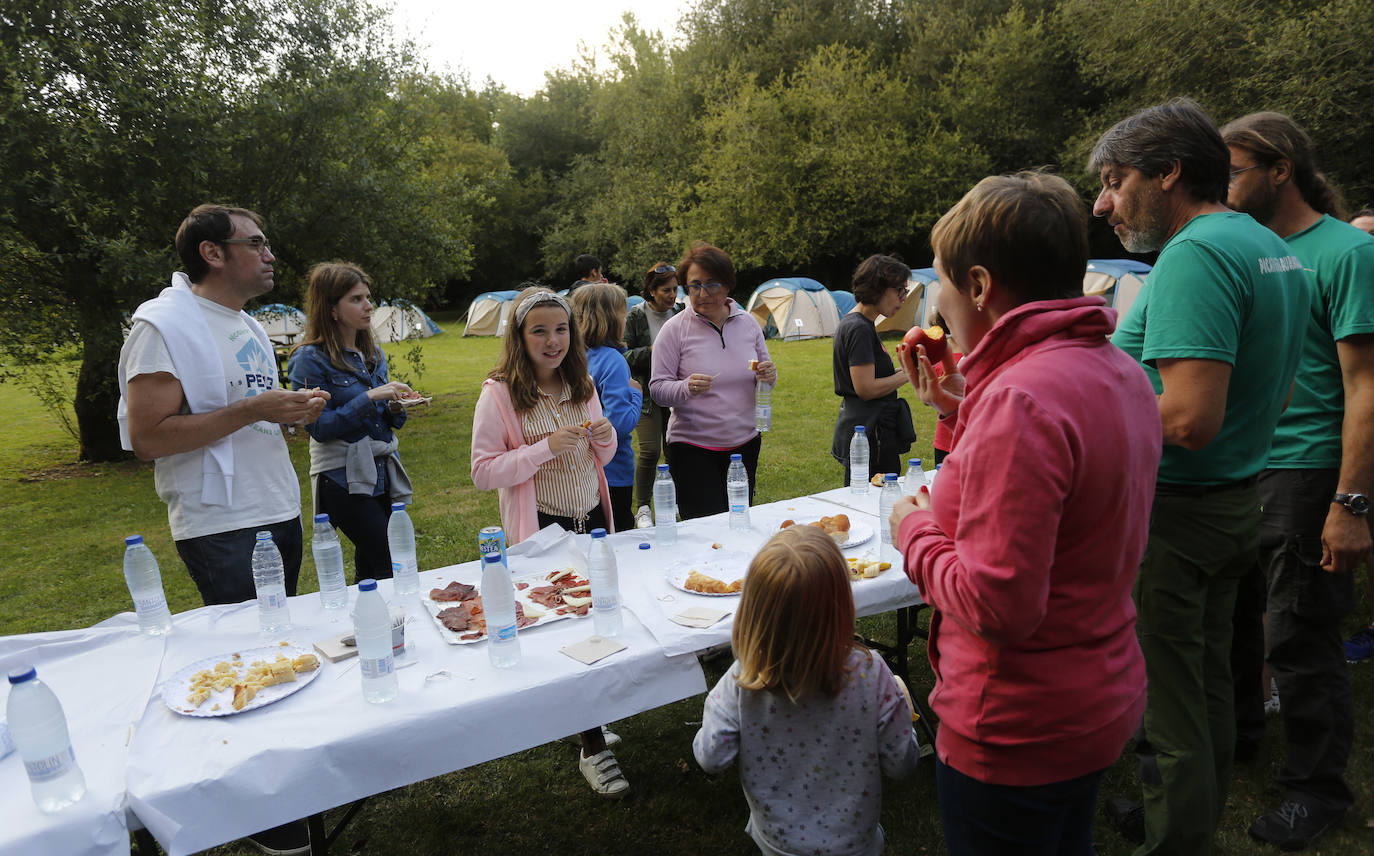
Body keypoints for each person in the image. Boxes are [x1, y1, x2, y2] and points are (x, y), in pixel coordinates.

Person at [891, 172, 1161, 855]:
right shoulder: (1115, 370)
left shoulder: (1021, 400)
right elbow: (1059, 496)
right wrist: (960, 405)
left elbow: (999, 605)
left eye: (943, 282)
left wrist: (914, 530)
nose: (939, 301)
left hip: (1019, 726)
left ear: (979, 287)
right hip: (1095, 696)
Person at [1090, 99, 1310, 856]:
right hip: (1237, 496)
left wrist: (1078, 418)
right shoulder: (1267, 244)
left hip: (1180, 513)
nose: (1103, 203)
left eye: (1116, 181)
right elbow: (1276, 386)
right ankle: (1185, 816)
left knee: (1172, 699)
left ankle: (1176, 841)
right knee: (1213, 679)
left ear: (1168, 172)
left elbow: (1185, 419)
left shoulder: (1194, 254)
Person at [116, 203, 326, 856]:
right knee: (249, 662)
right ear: (212, 252)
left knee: (280, 646)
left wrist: (286, 413)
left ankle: (285, 780)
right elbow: (147, 438)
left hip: (274, 506)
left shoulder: (246, 324)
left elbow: (249, 413)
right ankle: (262, 811)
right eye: (256, 243)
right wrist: (250, 410)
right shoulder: (161, 326)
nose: (269, 254)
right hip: (220, 520)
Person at [1221, 111, 1374, 849]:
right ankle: (1243, 739)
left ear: (1280, 169)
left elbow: (1366, 387)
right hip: (1240, 466)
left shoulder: (1346, 252)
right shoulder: (1244, 251)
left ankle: (1317, 788)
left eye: (1233, 169)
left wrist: (1351, 503)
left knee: (1300, 634)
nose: (1220, 185)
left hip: (1309, 469)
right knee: (1235, 621)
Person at [468, 287, 627, 798]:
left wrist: (603, 435)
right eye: (539, 330)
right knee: (563, 623)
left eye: (561, 329)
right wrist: (542, 448)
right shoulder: (499, 394)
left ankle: (589, 717)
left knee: (600, 614)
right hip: (544, 531)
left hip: (592, 516)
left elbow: (601, 457)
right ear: (520, 337)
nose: (553, 340)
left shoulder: (580, 382)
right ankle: (590, 744)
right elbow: (482, 471)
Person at [693, 524, 920, 856]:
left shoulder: (743, 679)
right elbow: (902, 763)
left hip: (776, 843)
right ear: (841, 604)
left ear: (754, 610)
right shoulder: (872, 674)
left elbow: (711, 757)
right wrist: (902, 709)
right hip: (856, 844)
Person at [287, 262, 414, 582]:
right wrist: (369, 398)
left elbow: (384, 423)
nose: (369, 305)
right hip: (341, 478)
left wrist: (397, 407)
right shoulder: (309, 358)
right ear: (331, 308)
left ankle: (367, 627)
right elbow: (319, 427)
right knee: (391, 562)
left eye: (368, 297)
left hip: (380, 472)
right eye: (356, 299)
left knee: (372, 569)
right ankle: (398, 629)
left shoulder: (371, 353)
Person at [649, 243, 777, 519]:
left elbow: (766, 374)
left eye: (711, 285)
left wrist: (768, 375)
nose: (702, 294)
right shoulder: (674, 330)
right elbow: (658, 389)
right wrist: (686, 387)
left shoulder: (748, 324)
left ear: (728, 285)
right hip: (693, 449)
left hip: (745, 443)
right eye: (694, 286)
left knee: (739, 522)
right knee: (705, 532)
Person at [830, 254, 915, 484]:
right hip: (870, 435)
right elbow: (866, 388)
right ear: (878, 287)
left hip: (871, 432)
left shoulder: (862, 324)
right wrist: (908, 374)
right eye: (900, 290)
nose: (903, 298)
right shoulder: (859, 328)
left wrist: (909, 367)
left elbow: (876, 376)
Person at [570, 282, 643, 532]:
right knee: (618, 535)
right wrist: (636, 394)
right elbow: (619, 424)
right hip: (613, 472)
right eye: (624, 314)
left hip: (577, 473)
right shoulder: (613, 361)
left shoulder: (570, 357)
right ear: (613, 319)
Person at [624, 262, 683, 509]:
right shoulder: (636, 315)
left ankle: (676, 503)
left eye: (675, 289)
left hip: (674, 392)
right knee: (649, 451)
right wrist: (652, 351)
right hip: (646, 395)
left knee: (675, 451)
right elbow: (624, 357)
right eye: (666, 290)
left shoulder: (680, 312)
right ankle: (643, 507)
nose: (672, 296)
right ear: (652, 290)